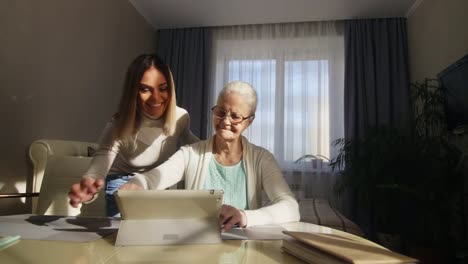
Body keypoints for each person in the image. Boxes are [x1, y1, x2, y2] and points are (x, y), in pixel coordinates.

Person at [120, 81, 300, 232]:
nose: (225, 121)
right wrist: (138, 184)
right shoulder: (190, 153)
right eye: (220, 112)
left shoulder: (262, 159)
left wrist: (244, 215)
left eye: (235, 116)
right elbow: (155, 178)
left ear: (249, 121)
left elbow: (291, 208)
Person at [68, 54, 199, 216]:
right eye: (145, 89)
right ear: (133, 92)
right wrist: (88, 188)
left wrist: (216, 147)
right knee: (122, 236)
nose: (156, 98)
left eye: (163, 88)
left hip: (158, 180)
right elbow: (102, 158)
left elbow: (192, 143)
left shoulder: (180, 117)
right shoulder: (119, 124)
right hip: (123, 183)